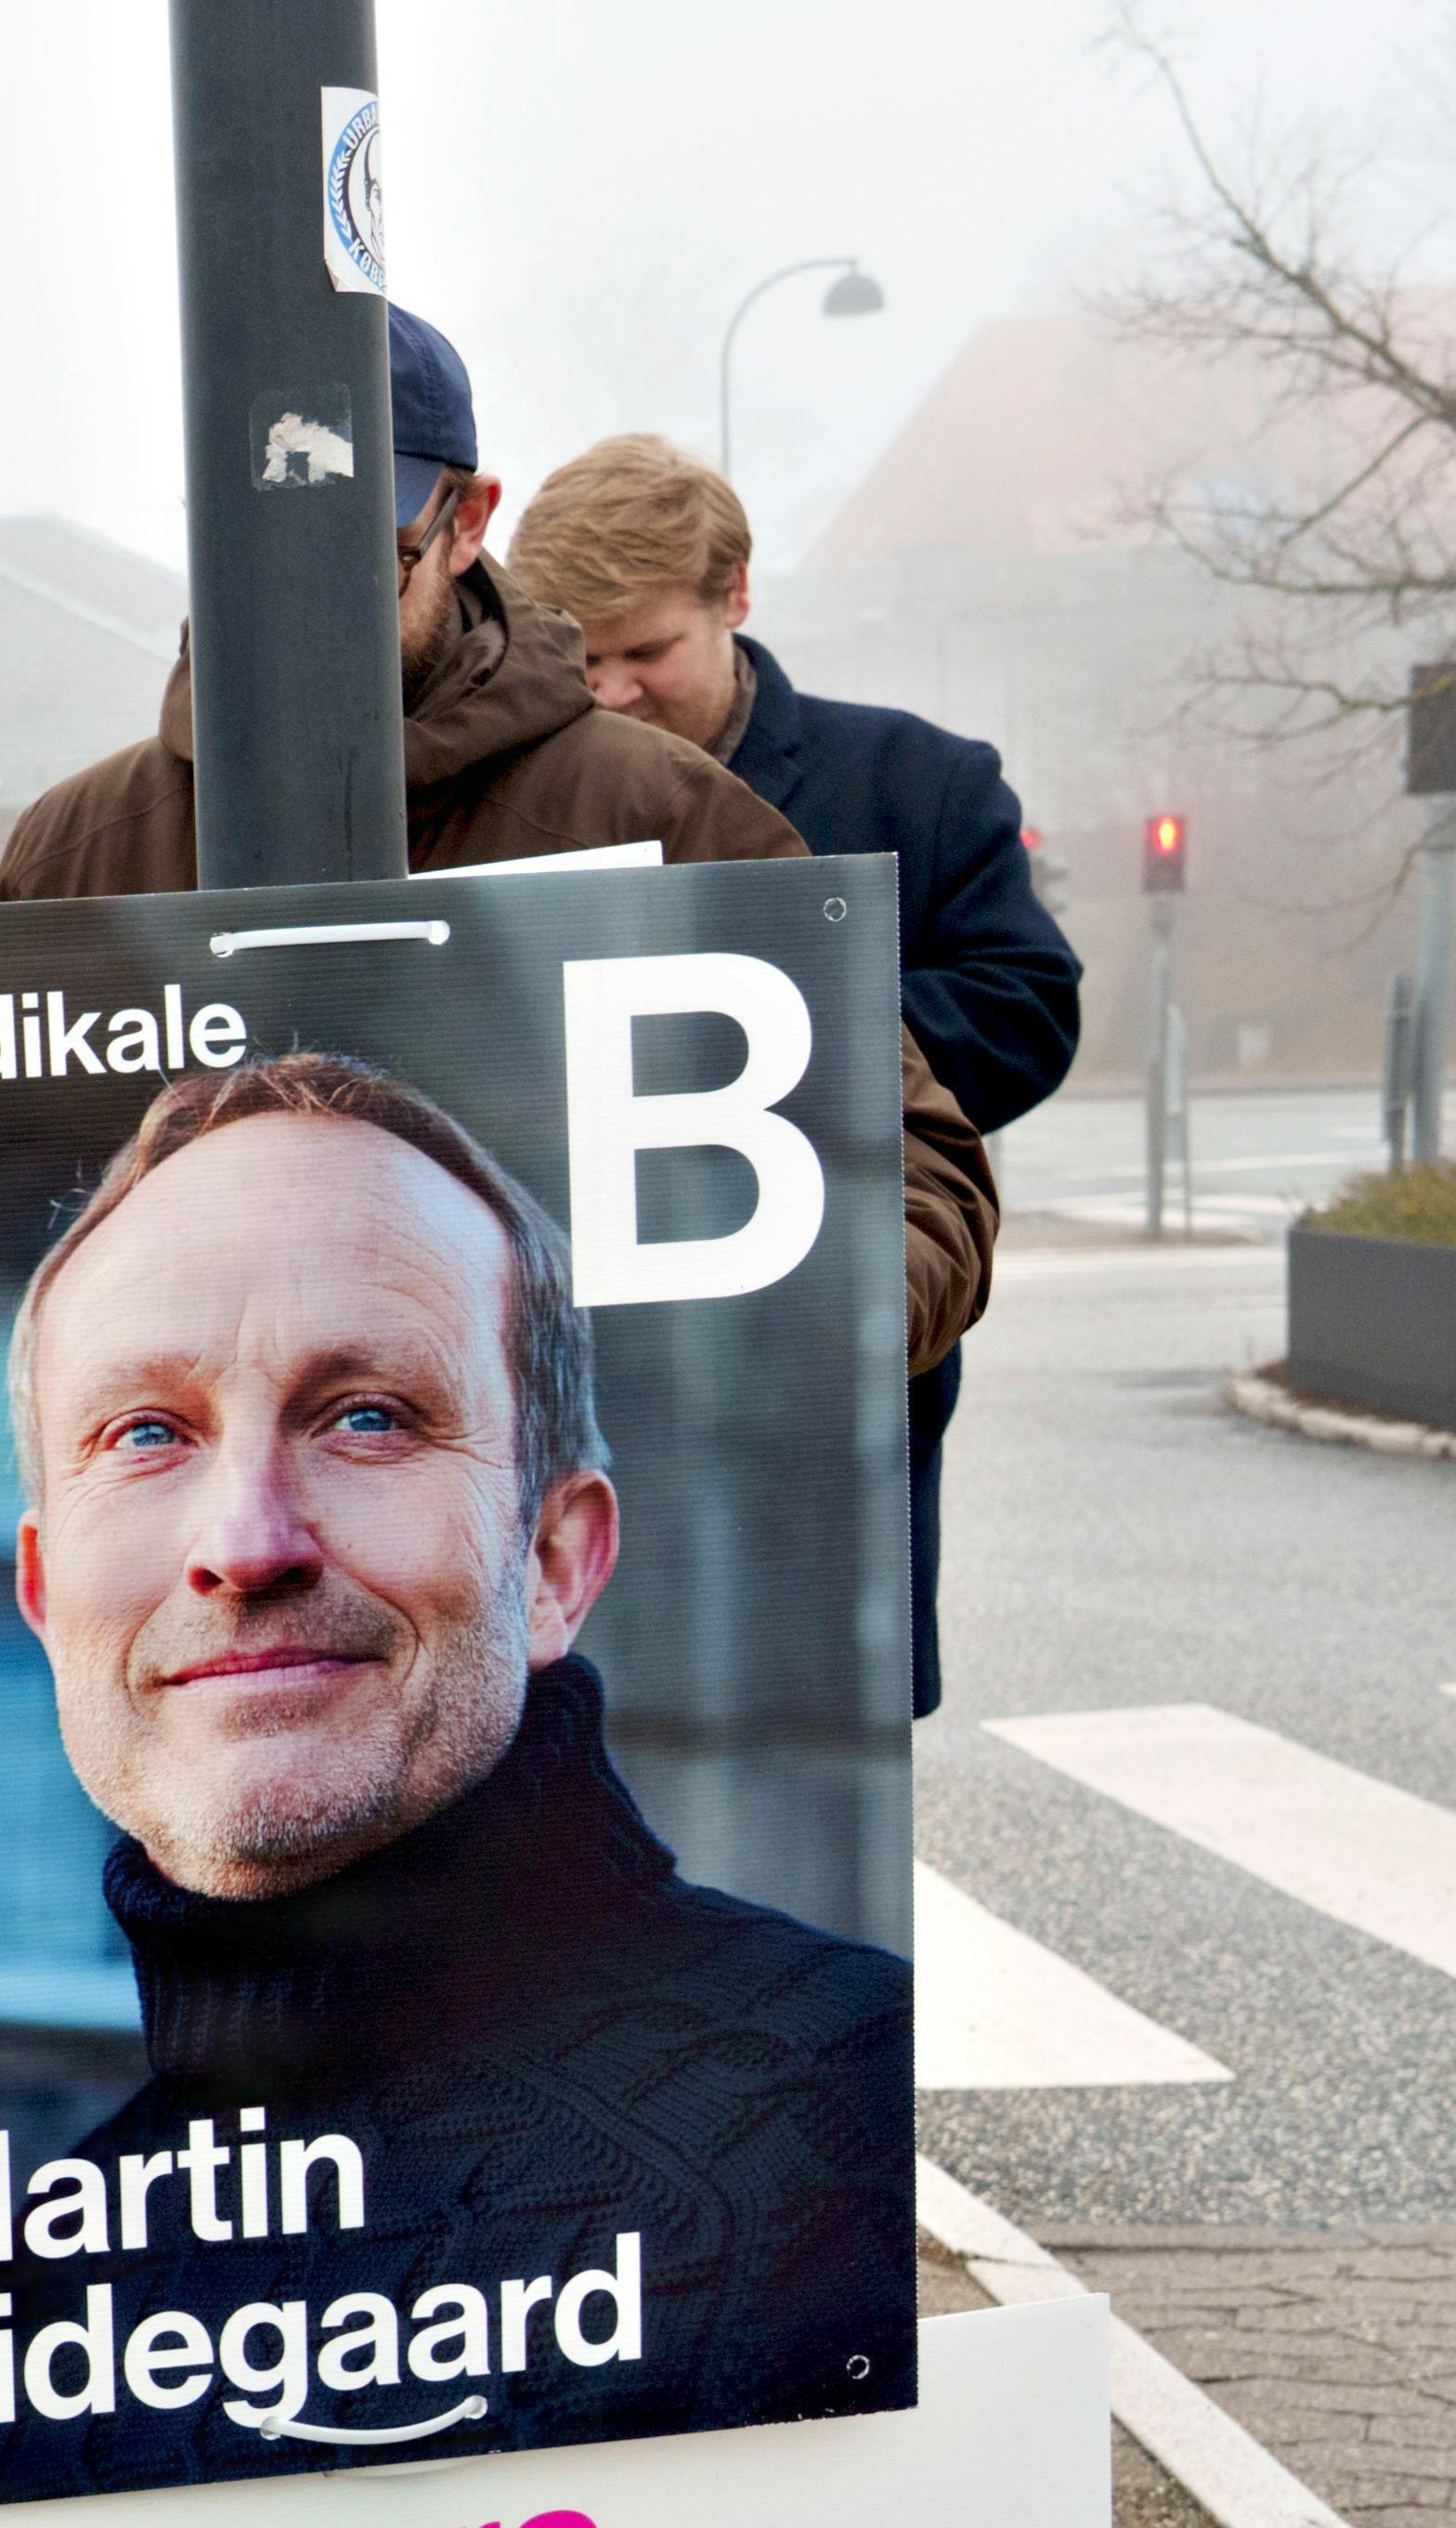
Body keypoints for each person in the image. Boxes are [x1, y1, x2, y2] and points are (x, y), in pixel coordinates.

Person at [0, 1053, 910, 2515]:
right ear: (43, 1598)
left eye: (365, 1416)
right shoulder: (35, 2301)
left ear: (552, 1561)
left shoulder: (834, 2121)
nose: (244, 1540)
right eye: (143, 1434)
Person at [0, 304, 1002, 1666]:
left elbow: (918, 1169)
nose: (301, 620)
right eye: (253, 562)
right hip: (234, 1618)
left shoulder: (661, 813)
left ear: (467, 522)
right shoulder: (80, 850)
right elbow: (6, 1237)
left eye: (366, 563)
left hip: (616, 1609)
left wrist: (770, 1349)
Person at [509, 430, 1080, 1711]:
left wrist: (769, 1047)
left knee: (818, 1739)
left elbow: (1025, 1004)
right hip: (569, 1365)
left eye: (644, 651)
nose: (608, 692)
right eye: (577, 657)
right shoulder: (504, 792)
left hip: (814, 1381)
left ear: (736, 598)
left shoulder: (918, 785)